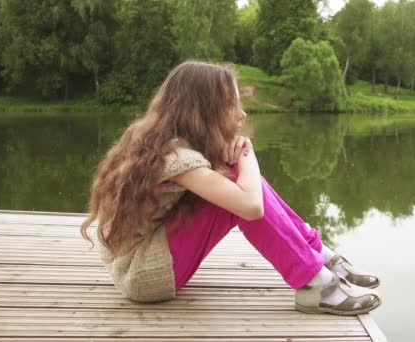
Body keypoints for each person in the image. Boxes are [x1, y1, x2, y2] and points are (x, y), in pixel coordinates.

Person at [80, 60, 382, 315]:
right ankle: (316, 281)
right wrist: (247, 153)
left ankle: (319, 260)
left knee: (237, 178)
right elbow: (251, 208)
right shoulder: (175, 158)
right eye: (231, 105)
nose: (242, 114)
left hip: (147, 264)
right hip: (146, 276)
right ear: (205, 110)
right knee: (238, 183)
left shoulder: (170, 144)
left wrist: (240, 163)